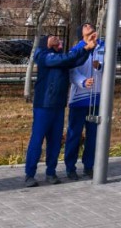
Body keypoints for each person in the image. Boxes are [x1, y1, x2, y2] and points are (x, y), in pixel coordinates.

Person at [24, 30, 98, 187]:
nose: (57, 38)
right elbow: (66, 58)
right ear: (45, 42)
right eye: (52, 37)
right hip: (44, 105)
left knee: (55, 141)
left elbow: (76, 60)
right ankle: (30, 174)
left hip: (58, 106)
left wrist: (89, 47)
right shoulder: (43, 55)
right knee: (37, 141)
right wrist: (84, 47)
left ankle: (51, 172)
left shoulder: (61, 58)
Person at [64, 23, 105, 180]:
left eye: (91, 25)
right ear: (81, 33)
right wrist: (82, 81)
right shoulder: (76, 49)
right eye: (86, 26)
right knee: (74, 134)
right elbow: (72, 71)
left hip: (96, 97)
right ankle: (70, 167)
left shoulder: (102, 47)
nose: (90, 27)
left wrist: (99, 66)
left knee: (93, 135)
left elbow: (109, 67)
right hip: (80, 98)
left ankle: (89, 166)